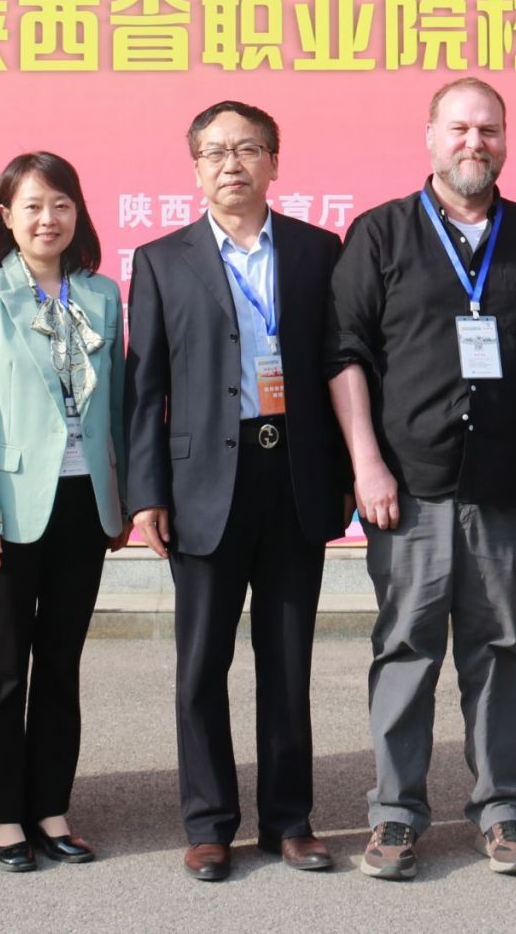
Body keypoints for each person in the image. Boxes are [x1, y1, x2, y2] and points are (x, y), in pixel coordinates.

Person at [326, 77, 516, 881]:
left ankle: (502, 808)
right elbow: (345, 353)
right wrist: (365, 462)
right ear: (430, 136)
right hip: (408, 485)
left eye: (489, 129)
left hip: (502, 486)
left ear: (506, 139)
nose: (475, 142)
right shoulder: (380, 232)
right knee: (405, 646)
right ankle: (396, 812)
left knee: (496, 647)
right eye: (460, 128)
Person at [126, 101, 350, 882]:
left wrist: (346, 474)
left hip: (293, 473)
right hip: (202, 485)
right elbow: (145, 387)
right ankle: (209, 822)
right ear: (195, 168)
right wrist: (146, 491)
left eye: (248, 148)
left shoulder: (318, 251)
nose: (232, 164)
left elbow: (339, 365)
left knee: (287, 661)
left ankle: (289, 819)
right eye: (216, 151)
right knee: (201, 665)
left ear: (273, 162)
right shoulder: (162, 260)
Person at [0, 152, 129, 873]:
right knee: (4, 664)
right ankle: (1, 814)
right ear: (6, 217)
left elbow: (118, 405)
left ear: (77, 212)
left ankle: (51, 806)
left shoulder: (103, 294)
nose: (47, 218)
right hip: (10, 505)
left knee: (61, 662)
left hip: (85, 501)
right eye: (31, 206)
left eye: (60, 204)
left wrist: (121, 498)